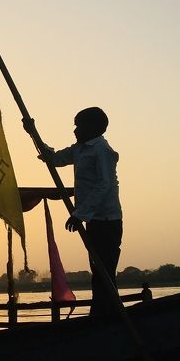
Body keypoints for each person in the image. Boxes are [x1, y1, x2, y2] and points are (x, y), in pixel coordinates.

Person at [38, 107, 122, 317]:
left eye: (79, 126)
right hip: (93, 220)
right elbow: (55, 159)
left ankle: (107, 313)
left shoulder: (101, 150)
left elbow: (104, 185)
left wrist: (79, 214)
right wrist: (34, 135)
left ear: (94, 128)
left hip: (107, 220)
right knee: (97, 269)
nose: (75, 130)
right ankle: (102, 312)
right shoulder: (80, 149)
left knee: (104, 271)